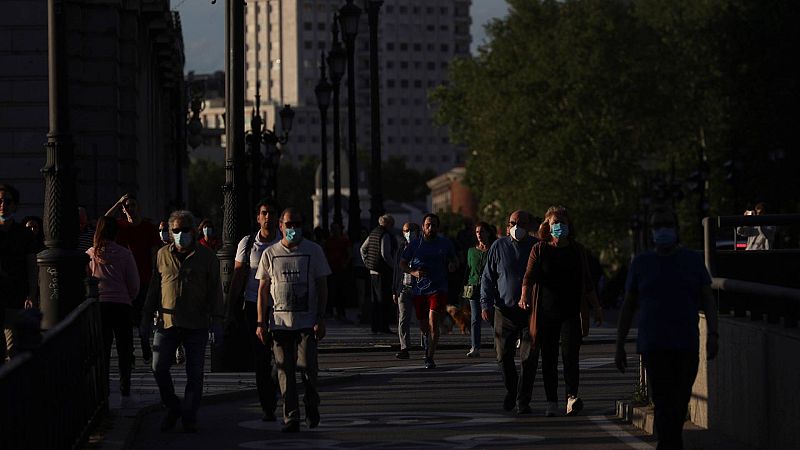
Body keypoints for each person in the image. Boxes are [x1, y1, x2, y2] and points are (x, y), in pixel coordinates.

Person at [616, 207, 719, 449]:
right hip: (654, 345)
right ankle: (670, 444)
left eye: (667, 224)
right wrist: (620, 344)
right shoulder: (642, 263)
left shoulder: (692, 261)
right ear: (652, 231)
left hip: (685, 344)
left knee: (679, 402)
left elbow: (707, 299)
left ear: (676, 229)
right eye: (658, 225)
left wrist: (713, 333)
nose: (663, 230)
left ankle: (671, 443)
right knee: (663, 403)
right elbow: (628, 306)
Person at [142, 210, 224, 433]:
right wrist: (146, 318)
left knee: (195, 373)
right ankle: (173, 406)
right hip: (167, 323)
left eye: (184, 230)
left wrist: (217, 321)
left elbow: (216, 291)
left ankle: (189, 415)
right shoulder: (161, 255)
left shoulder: (207, 257)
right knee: (158, 367)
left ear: (194, 231)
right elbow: (153, 288)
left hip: (196, 323)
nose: (180, 234)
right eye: (175, 230)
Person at [520, 206, 603, 417]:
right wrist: (524, 297)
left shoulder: (577, 250)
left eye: (563, 223)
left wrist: (596, 307)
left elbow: (587, 281)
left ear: (569, 226)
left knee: (570, 355)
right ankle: (551, 401)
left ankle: (571, 397)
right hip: (546, 313)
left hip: (571, 311)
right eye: (555, 223)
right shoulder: (539, 250)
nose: (559, 227)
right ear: (547, 226)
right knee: (549, 358)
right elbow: (528, 277)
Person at [255, 208, 331, 432]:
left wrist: (321, 317)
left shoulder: (314, 251)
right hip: (279, 324)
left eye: (297, 224)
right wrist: (260, 323)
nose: (293, 229)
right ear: (281, 226)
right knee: (284, 372)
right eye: (289, 225)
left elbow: (322, 285)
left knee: (308, 367)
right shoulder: (270, 253)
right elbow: (262, 290)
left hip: (307, 323)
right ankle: (291, 417)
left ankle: (311, 403)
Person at [480, 210, 538, 413]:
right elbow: (487, 277)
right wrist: (485, 303)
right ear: (507, 225)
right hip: (503, 311)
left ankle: (523, 400)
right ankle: (512, 390)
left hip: (530, 312)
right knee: (503, 357)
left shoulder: (536, 247)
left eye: (521, 223)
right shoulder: (498, 246)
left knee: (529, 359)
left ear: (529, 225)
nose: (517, 227)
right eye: (513, 223)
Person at [229, 199, 281, 422]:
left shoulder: (284, 242)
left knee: (281, 356)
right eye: (263, 213)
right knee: (261, 357)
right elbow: (239, 274)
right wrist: (230, 306)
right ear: (258, 217)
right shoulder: (248, 243)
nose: (267, 216)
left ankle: (274, 391)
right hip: (253, 305)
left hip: (280, 307)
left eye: (271, 213)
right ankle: (267, 404)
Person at [87, 216, 140, 396]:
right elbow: (134, 283)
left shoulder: (91, 254)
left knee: (103, 348)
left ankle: (103, 386)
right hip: (122, 305)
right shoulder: (125, 254)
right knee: (124, 349)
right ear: (116, 232)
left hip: (101, 305)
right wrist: (129, 297)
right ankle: (125, 385)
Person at [106, 194, 161, 365]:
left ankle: (145, 346)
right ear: (123, 210)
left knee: (144, 320)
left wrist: (155, 275)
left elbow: (154, 253)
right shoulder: (120, 226)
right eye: (127, 206)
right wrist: (117, 202)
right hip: (124, 282)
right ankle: (129, 354)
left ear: (139, 207)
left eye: (133, 205)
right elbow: (105, 220)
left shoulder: (148, 228)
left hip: (144, 279)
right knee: (127, 321)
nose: (130, 208)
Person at [399, 213, 458, 369]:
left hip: (439, 288)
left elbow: (455, 259)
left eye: (433, 225)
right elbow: (402, 263)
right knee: (423, 325)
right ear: (423, 227)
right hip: (419, 289)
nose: (431, 228)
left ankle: (430, 357)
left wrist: (453, 265)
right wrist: (413, 272)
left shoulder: (445, 243)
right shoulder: (415, 244)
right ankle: (427, 343)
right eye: (428, 225)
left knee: (433, 322)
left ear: (438, 227)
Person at [0, 184, 37, 363]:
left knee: (12, 347)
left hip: (15, 296)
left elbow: (31, 266)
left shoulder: (23, 235)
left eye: (7, 201)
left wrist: (31, 293)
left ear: (15, 205)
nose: (2, 205)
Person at [360, 214, 398, 334]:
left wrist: (367, 262)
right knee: (384, 300)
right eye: (392, 224)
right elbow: (385, 254)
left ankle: (375, 327)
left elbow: (362, 249)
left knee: (375, 300)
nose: (392, 227)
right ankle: (384, 327)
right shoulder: (385, 235)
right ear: (387, 224)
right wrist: (394, 267)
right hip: (382, 271)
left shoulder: (373, 232)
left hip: (373, 272)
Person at [464, 221, 496, 358]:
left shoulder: (494, 249)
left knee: (492, 318)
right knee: (475, 318)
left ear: (488, 233)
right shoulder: (471, 251)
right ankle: (475, 347)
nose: (479, 235)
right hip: (473, 287)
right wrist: (464, 290)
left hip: (491, 288)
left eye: (482, 231)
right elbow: (468, 270)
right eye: (477, 232)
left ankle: (499, 344)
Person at [392, 222, 420, 359]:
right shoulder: (401, 247)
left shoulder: (421, 247)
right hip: (403, 287)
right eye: (405, 230)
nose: (408, 233)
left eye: (410, 230)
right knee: (403, 319)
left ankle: (426, 345)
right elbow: (396, 270)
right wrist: (394, 290)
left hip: (419, 287)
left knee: (422, 318)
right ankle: (404, 347)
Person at [324, 222, 351, 322]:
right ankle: (330, 311)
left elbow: (349, 253)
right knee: (331, 291)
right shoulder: (329, 241)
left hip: (340, 269)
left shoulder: (344, 240)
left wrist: (345, 263)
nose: (334, 231)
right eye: (333, 229)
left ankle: (340, 312)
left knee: (340, 291)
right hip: (331, 268)